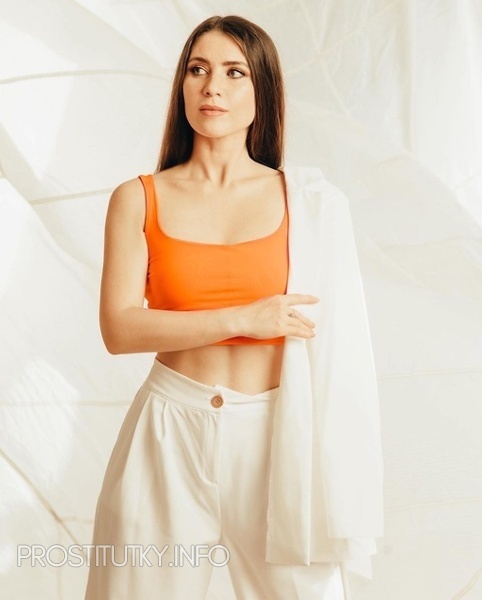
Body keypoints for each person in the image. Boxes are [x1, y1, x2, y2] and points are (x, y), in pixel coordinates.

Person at [84, 14, 383, 600]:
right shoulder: (137, 198)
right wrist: (243, 319)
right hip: (166, 431)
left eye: (233, 72)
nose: (212, 87)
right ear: (182, 85)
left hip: (278, 434)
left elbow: (346, 353)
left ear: (261, 91)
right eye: (198, 70)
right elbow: (119, 329)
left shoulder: (312, 204)